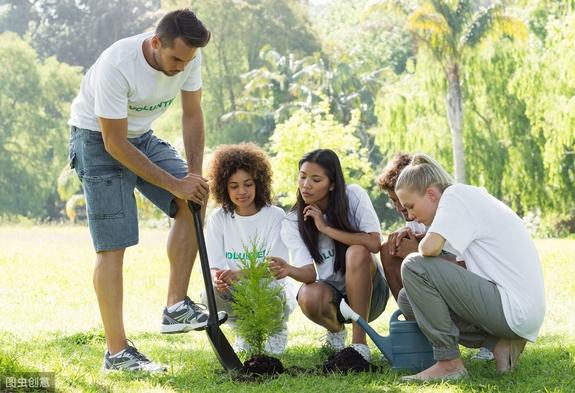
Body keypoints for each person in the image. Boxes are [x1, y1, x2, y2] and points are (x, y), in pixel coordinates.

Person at [67, 9, 211, 372]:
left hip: (140, 136)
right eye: (175, 58)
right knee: (113, 246)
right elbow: (114, 142)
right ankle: (117, 354)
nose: (181, 67)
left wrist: (191, 178)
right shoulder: (118, 64)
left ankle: (176, 306)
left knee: (191, 200)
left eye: (187, 60)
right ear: (155, 42)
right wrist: (175, 182)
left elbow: (192, 114)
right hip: (98, 139)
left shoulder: (189, 55)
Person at [394, 154, 545, 382]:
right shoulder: (466, 200)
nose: (410, 216)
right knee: (408, 298)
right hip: (515, 310)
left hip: (512, 307)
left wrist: (422, 241)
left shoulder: (455, 195)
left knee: (414, 266)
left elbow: (428, 250)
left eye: (411, 206)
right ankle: (499, 344)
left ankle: (449, 364)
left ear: (431, 194)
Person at [271, 149, 390, 367]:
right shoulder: (292, 222)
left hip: (372, 295)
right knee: (307, 294)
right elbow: (309, 274)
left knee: (357, 250)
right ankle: (335, 331)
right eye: (303, 176)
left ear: (332, 184)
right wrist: (289, 269)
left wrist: (325, 228)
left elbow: (374, 243)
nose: (306, 184)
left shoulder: (353, 196)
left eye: (316, 179)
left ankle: (359, 345)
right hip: (333, 300)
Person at [376, 153, 494, 361]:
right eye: (394, 201)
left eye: (404, 203)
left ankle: (489, 339)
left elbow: (468, 265)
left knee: (415, 263)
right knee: (389, 250)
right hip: (445, 280)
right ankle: (419, 327)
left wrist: (417, 252)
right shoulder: (414, 217)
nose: (400, 208)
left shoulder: (452, 207)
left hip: (481, 288)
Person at [201, 143, 296, 355]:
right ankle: (244, 331)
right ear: (224, 188)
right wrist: (219, 278)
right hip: (237, 291)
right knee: (209, 293)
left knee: (269, 290)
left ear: (258, 183)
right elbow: (213, 265)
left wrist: (238, 274)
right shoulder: (218, 219)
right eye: (234, 186)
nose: (241, 192)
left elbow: (275, 269)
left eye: (247, 184)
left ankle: (276, 331)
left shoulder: (275, 216)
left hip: (272, 290)